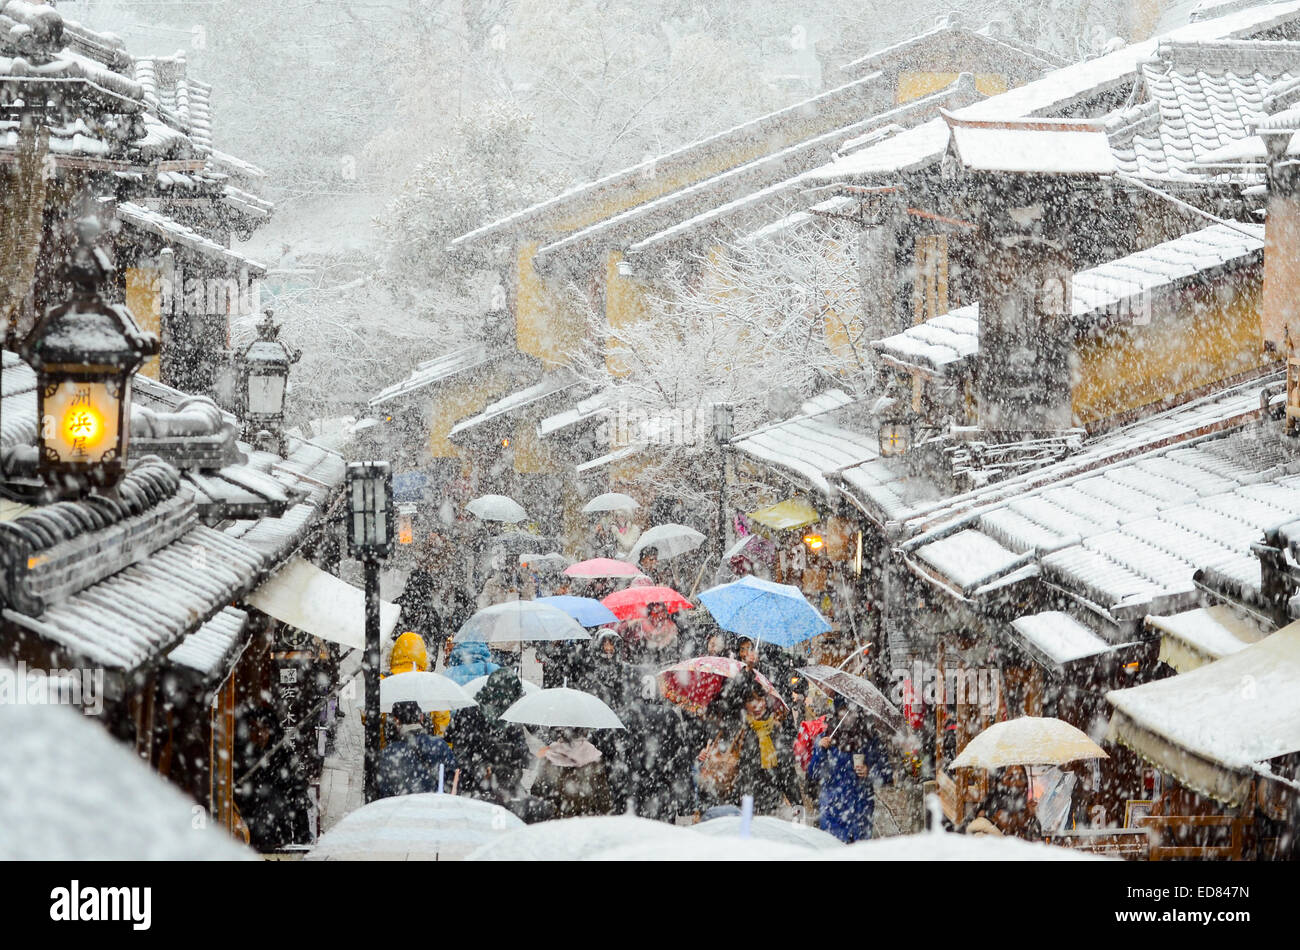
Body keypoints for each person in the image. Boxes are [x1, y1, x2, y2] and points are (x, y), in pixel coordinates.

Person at [808, 697, 893, 843]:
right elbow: (813, 774)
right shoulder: (826, 738)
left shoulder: (869, 739)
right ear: (836, 712)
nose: (847, 715)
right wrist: (820, 751)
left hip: (861, 812)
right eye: (843, 710)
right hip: (832, 812)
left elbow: (887, 775)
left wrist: (869, 772)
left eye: (851, 711)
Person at [443, 669, 530, 807]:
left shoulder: (507, 715)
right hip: (479, 787)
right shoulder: (475, 713)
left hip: (494, 786)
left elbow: (522, 752)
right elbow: (459, 753)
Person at [734, 675, 799, 816]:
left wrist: (799, 813)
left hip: (771, 810)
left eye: (760, 699)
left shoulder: (774, 731)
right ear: (745, 704)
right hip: (745, 811)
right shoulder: (739, 732)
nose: (757, 705)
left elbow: (788, 778)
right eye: (751, 700)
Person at [375, 700, 458, 799]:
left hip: (402, 810)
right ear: (421, 717)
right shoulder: (440, 745)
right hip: (435, 808)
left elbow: (384, 791)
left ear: (396, 721)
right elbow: (453, 781)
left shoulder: (389, 752)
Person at [531, 728, 613, 818]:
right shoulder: (592, 753)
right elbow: (603, 794)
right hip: (587, 812)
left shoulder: (552, 753)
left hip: (565, 811)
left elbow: (542, 787)